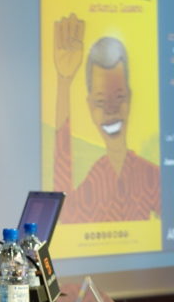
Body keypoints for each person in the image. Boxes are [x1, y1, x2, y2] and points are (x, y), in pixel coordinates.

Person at [53, 13, 160, 223]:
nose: (111, 110)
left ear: (129, 98)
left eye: (119, 98)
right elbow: (63, 208)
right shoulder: (93, 181)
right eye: (101, 101)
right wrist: (64, 82)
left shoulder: (150, 175)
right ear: (90, 106)